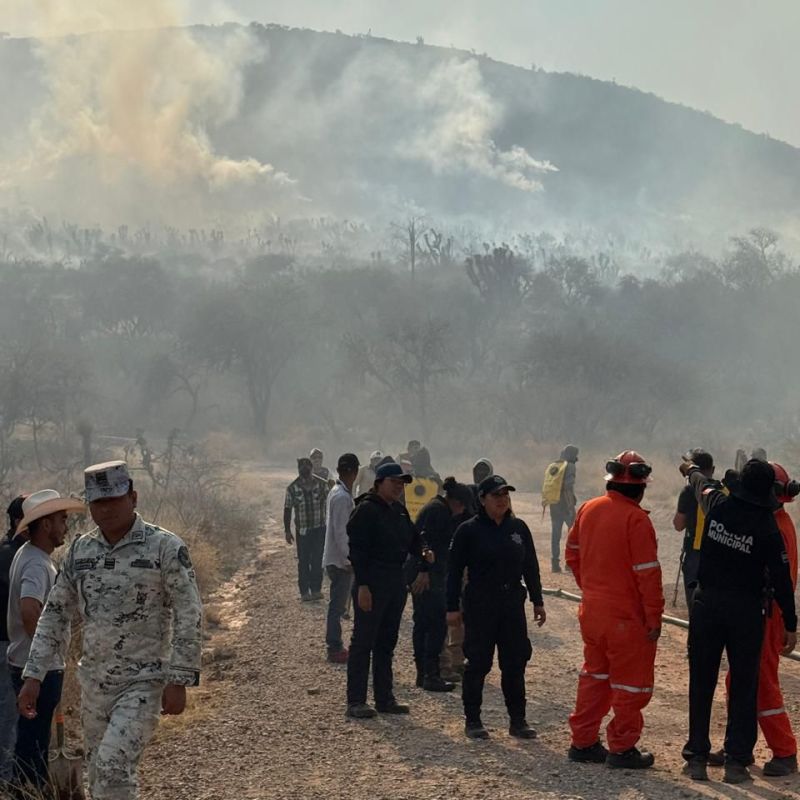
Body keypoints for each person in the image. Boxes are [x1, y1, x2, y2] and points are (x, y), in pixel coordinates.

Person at [17, 460, 203, 800]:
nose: (106, 509)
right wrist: (34, 676)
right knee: (100, 777)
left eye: (114, 499)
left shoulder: (164, 547)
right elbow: (55, 614)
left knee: (112, 767)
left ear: (133, 496)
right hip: (95, 686)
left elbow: (189, 613)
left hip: (143, 682)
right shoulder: (81, 551)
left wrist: (179, 679)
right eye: (98, 502)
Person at [680, 458, 797, 784]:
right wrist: (791, 622)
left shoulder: (717, 504)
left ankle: (697, 758)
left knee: (701, 684)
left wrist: (689, 469)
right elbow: (782, 581)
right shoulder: (769, 528)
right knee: (746, 687)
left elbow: (700, 483)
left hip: (707, 606)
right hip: (745, 613)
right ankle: (736, 762)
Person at [566, 451, 663, 769]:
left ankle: (583, 743)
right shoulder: (636, 520)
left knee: (595, 676)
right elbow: (647, 574)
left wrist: (592, 590)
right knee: (631, 684)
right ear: (640, 487)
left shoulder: (588, 509)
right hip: (626, 619)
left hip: (593, 613)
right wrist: (653, 616)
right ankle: (621, 748)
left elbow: (573, 555)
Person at [447, 475, 545, 740]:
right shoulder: (468, 530)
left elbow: (531, 567)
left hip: (512, 602)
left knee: (515, 662)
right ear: (482, 499)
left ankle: (518, 721)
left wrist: (538, 600)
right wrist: (451, 608)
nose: (502, 500)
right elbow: (454, 571)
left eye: (505, 495)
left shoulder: (518, 528)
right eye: (496, 495)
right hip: (481, 603)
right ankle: (473, 720)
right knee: (478, 662)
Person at [7, 491, 84, 793]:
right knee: (34, 745)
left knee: (30, 741)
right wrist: (44, 656)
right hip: (37, 668)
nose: (66, 525)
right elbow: (29, 610)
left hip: (29, 664)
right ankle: (31, 792)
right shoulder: (38, 564)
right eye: (61, 519)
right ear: (46, 525)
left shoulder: (28, 555)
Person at [345, 462, 432, 719]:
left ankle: (384, 698)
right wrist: (362, 586)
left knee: (386, 642)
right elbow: (357, 552)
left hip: (395, 581)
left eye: (402, 483)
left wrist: (424, 551)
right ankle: (356, 700)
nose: (398, 487)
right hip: (371, 581)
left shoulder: (399, 512)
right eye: (394, 482)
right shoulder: (366, 510)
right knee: (363, 642)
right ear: (379, 482)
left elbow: (415, 539)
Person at [732, 462, 799, 776]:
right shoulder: (775, 521)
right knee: (738, 680)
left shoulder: (774, 528)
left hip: (767, 615)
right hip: (760, 612)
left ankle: (784, 751)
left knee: (762, 683)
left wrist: (788, 622)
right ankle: (738, 745)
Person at [411, 477, 472, 693]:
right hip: (428, 578)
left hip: (431, 575)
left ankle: (424, 673)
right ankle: (431, 674)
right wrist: (424, 570)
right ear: (458, 503)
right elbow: (422, 542)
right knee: (434, 625)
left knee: (423, 623)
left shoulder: (436, 508)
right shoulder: (438, 512)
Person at [322, 453, 360, 664]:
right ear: (354, 473)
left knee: (337, 605)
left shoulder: (337, 492)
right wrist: (349, 559)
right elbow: (341, 532)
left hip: (335, 558)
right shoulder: (342, 497)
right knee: (337, 606)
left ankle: (335, 644)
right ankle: (334, 646)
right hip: (340, 560)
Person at [0, 495, 26, 785]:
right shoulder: (14, 556)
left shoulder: (10, 551)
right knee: (9, 715)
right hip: (7, 645)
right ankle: (6, 778)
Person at [673, 449, 719, 609]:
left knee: (695, 606)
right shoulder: (723, 490)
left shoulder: (689, 491)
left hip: (695, 554)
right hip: (719, 555)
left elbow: (678, 525)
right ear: (712, 470)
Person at [284, 457, 330, 601]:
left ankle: (316, 589)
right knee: (303, 561)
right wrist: (287, 530)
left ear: (311, 468)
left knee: (317, 560)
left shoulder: (322, 485)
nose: (304, 470)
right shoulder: (292, 487)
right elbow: (287, 510)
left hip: (319, 528)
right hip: (302, 530)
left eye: (306, 467)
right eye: (301, 467)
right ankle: (304, 592)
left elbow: (330, 504)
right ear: (298, 469)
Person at [543, 445, 579, 573]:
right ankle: (570, 563)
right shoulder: (570, 466)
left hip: (554, 505)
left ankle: (555, 563)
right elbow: (568, 488)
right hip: (565, 505)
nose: (577, 458)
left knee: (556, 534)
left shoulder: (554, 466)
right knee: (574, 535)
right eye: (576, 455)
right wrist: (570, 506)